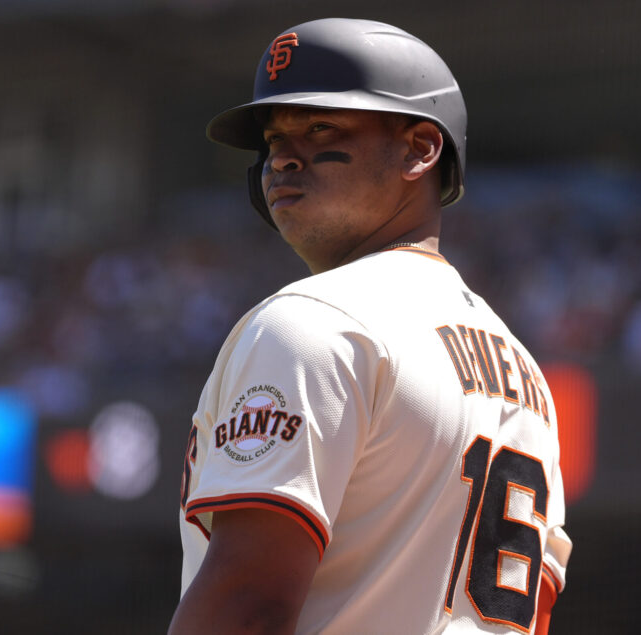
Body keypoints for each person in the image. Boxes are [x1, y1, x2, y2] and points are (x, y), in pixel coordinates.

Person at [170, 18, 571, 634]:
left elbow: (246, 602)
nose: (283, 158)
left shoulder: (315, 323)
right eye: (275, 139)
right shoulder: (526, 377)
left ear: (420, 148)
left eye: (322, 126)